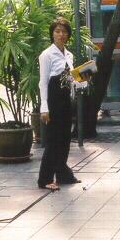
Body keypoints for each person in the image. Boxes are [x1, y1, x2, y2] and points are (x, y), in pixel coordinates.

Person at [37, 17, 84, 191]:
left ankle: (62, 174)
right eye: (57, 31)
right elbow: (42, 83)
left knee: (64, 140)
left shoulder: (69, 55)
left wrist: (83, 80)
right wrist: (44, 107)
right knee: (53, 141)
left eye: (64, 32)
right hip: (53, 101)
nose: (61, 35)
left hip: (66, 101)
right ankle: (45, 179)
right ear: (52, 34)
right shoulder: (46, 55)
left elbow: (72, 79)